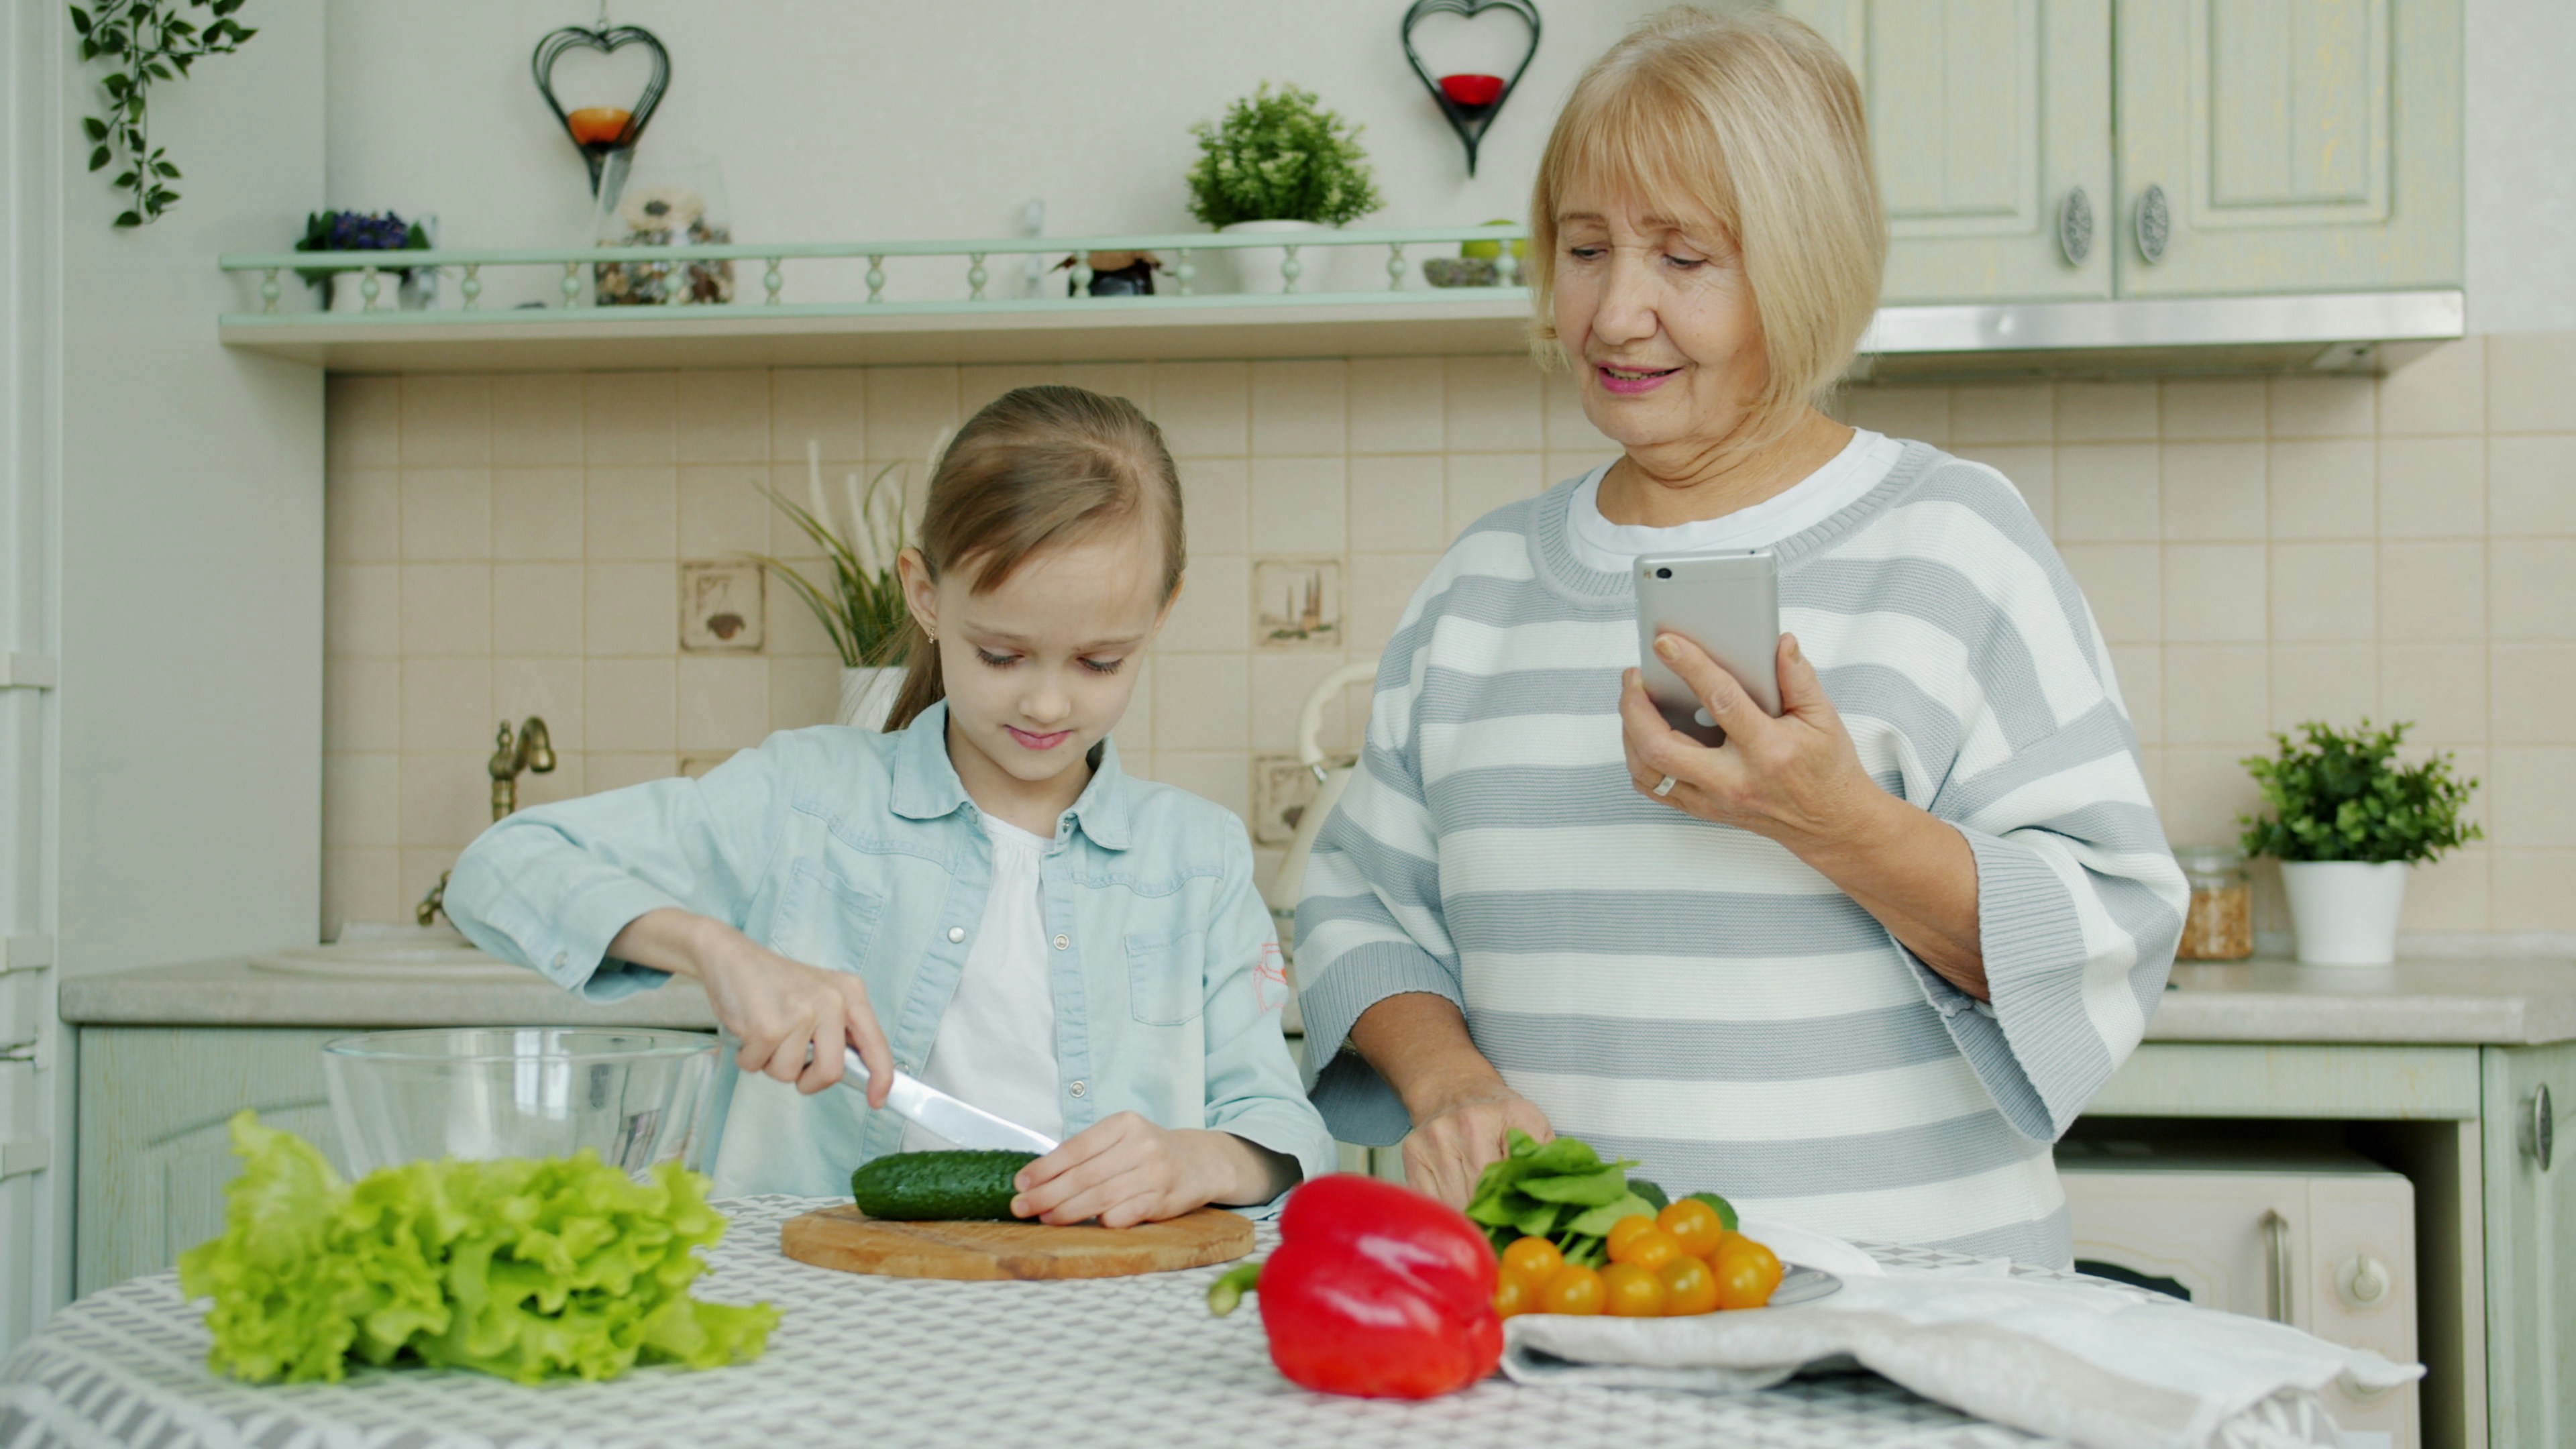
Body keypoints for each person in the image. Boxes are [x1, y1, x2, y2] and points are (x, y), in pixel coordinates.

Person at [1293, 8, 2184, 1267]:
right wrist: (1449, 1085)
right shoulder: (1479, 585)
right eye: (1585, 249)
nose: (1616, 314)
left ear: (1802, 263)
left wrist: (1839, 822)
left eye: (1684, 257)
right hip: (1571, 1317)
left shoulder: (1953, 542)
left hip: (1910, 1323)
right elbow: (1360, 908)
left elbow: (2112, 926)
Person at [447, 385, 1332, 1226]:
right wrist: (715, 949)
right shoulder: (804, 799)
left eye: (1100, 662)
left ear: (1162, 612)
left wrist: (1199, 1160)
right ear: (925, 595)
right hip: (817, 1301)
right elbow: (500, 867)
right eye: (1001, 655)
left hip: (1109, 1307)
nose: (1047, 703)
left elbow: (1283, 1126)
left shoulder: (1197, 857)